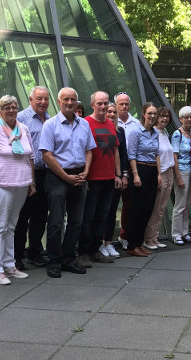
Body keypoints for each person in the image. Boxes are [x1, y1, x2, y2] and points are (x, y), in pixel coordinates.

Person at [0, 95, 35, 285]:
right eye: (7, 107)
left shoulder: (24, 129)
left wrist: (31, 182)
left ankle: (10, 265)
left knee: (12, 225)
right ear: (0, 111)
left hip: (21, 184)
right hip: (0, 185)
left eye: (14, 107)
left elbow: (31, 158)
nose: (11, 110)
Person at [39, 87, 95, 278]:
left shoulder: (84, 124)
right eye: (66, 100)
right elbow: (46, 154)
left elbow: (89, 150)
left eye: (73, 99)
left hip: (79, 176)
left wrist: (86, 171)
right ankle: (54, 261)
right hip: (57, 178)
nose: (70, 103)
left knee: (76, 222)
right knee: (55, 222)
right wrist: (65, 177)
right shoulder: (50, 125)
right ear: (59, 101)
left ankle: (69, 259)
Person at [77, 91, 121, 267]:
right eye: (100, 103)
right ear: (93, 104)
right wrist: (84, 175)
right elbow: (81, 150)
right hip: (92, 179)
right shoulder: (85, 123)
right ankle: (83, 252)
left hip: (109, 179)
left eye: (106, 103)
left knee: (102, 216)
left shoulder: (111, 124)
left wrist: (117, 174)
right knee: (88, 217)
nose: (103, 106)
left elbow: (116, 150)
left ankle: (95, 250)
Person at [15, 86, 50, 268]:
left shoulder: (51, 119)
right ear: (30, 99)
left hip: (46, 173)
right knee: (22, 216)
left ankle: (35, 251)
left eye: (46, 99)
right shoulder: (21, 118)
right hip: (27, 173)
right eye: (39, 99)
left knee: (40, 215)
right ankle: (17, 255)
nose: (43, 102)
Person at [126, 103, 161, 256]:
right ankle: (131, 245)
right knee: (137, 209)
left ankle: (139, 243)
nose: (152, 116)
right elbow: (131, 155)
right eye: (150, 113)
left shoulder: (155, 133)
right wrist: (135, 174)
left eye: (154, 114)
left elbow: (156, 154)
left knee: (147, 209)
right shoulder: (136, 132)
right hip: (140, 169)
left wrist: (159, 174)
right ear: (143, 114)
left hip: (152, 171)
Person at [144, 107, 178, 250]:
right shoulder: (153, 133)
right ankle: (148, 238)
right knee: (156, 207)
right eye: (162, 116)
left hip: (169, 172)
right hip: (161, 173)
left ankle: (155, 237)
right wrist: (158, 174)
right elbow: (155, 155)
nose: (165, 119)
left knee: (162, 208)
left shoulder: (165, 133)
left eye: (167, 117)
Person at [100, 104, 126, 258]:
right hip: (101, 176)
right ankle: (99, 243)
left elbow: (123, 155)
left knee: (111, 212)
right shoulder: (98, 128)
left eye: (114, 112)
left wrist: (123, 175)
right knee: (100, 212)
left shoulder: (120, 131)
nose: (111, 114)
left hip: (115, 177)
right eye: (109, 111)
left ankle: (108, 242)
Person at [114, 92, 137, 250]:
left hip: (131, 166)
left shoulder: (136, 123)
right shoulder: (111, 123)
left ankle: (124, 235)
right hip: (114, 168)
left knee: (129, 205)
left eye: (126, 104)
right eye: (121, 104)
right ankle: (104, 239)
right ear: (115, 105)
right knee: (110, 205)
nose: (124, 106)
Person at [171, 106, 191, 244]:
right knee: (179, 205)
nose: (189, 119)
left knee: (187, 204)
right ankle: (176, 234)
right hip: (182, 171)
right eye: (186, 117)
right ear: (181, 119)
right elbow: (174, 156)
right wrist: (178, 176)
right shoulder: (177, 134)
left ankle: (185, 232)